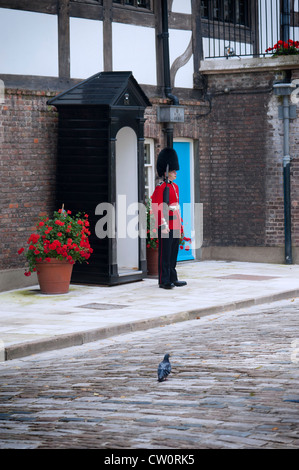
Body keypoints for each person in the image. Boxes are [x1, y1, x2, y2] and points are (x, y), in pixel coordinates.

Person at [151, 147, 187, 289]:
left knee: (173, 253)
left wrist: (181, 225)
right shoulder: (160, 188)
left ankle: (173, 277)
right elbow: (156, 207)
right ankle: (164, 279)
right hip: (166, 224)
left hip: (175, 223)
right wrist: (163, 224)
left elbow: (176, 207)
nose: (175, 173)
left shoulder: (175, 187)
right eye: (173, 171)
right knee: (164, 254)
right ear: (166, 172)